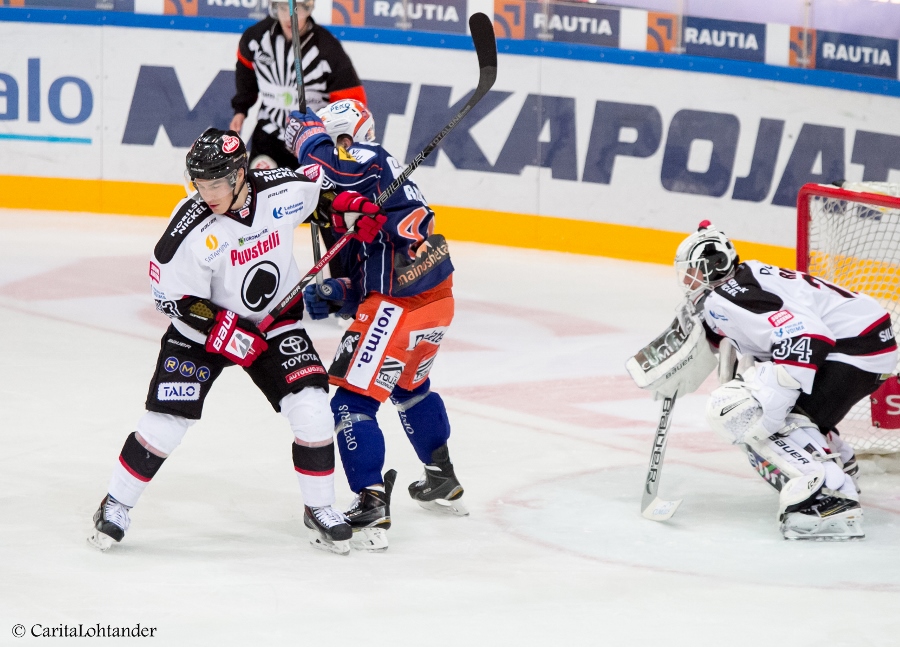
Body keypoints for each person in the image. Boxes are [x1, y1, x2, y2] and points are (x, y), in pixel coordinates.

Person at [87, 128, 384, 555]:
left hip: (274, 322)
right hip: (201, 334)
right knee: (166, 424)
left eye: (215, 183)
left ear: (241, 173)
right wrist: (225, 329)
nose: (206, 193)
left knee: (313, 409)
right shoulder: (187, 232)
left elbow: (329, 187)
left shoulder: (283, 190)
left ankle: (320, 506)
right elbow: (171, 299)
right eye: (200, 184)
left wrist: (353, 212)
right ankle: (115, 504)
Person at [280, 99, 468, 552]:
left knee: (350, 403)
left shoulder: (372, 160)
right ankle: (442, 478)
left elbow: (334, 165)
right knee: (408, 387)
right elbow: (369, 267)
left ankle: (370, 501)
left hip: (398, 305)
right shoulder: (374, 189)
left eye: (334, 140)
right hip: (435, 299)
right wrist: (339, 293)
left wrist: (309, 138)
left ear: (345, 137)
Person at [675, 220, 897, 540]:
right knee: (783, 411)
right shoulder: (738, 284)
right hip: (864, 343)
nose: (688, 280)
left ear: (715, 266)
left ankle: (830, 496)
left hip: (854, 349)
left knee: (753, 413)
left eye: (693, 271)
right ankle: (840, 463)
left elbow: (809, 335)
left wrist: (772, 410)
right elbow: (760, 339)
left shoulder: (730, 294)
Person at [229, 0, 366, 171]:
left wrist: (334, 142)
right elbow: (245, 72)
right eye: (283, 8)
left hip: (312, 141)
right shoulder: (256, 38)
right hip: (268, 135)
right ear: (274, 7)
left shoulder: (328, 49)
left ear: (309, 9)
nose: (289, 17)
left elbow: (351, 103)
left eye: (297, 9)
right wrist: (241, 109)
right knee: (258, 193)